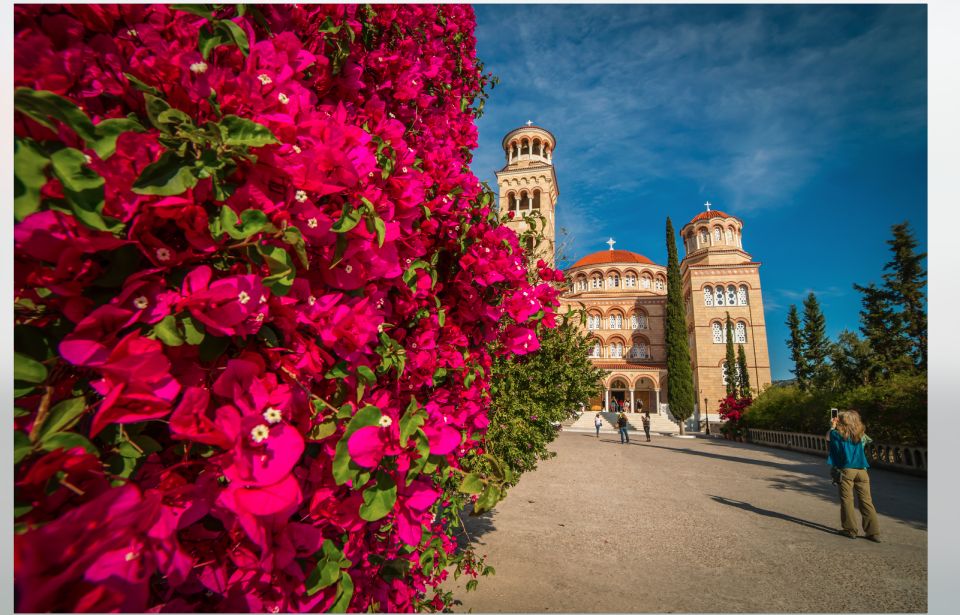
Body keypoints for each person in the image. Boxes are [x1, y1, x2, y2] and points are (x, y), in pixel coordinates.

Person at [827, 410, 881, 542]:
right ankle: (873, 532)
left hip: (847, 470)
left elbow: (828, 438)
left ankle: (850, 530)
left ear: (842, 422)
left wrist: (832, 426)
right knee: (866, 501)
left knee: (847, 500)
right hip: (862, 470)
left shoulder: (836, 434)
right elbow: (866, 440)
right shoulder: (861, 434)